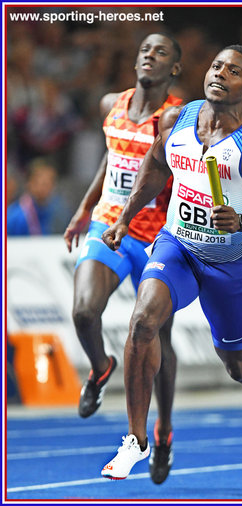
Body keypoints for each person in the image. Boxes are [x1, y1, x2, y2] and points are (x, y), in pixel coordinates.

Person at [100, 44, 242, 481]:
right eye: (216, 66)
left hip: (227, 266)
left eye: (232, 72)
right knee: (142, 322)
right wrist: (124, 219)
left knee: (239, 365)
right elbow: (155, 166)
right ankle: (136, 440)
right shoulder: (178, 119)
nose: (219, 74)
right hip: (176, 248)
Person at [63, 33, 183, 485]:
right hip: (107, 225)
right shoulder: (109, 104)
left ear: (174, 68)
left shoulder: (176, 115)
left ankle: (164, 431)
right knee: (83, 311)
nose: (149, 55)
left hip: (156, 237)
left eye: (161, 52)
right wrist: (82, 209)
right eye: (144, 49)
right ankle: (100, 367)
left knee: (158, 344)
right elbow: (111, 159)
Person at [7, 158, 70, 235]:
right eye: (41, 182)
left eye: (49, 182)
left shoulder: (61, 211)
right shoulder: (14, 216)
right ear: (29, 183)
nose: (45, 187)